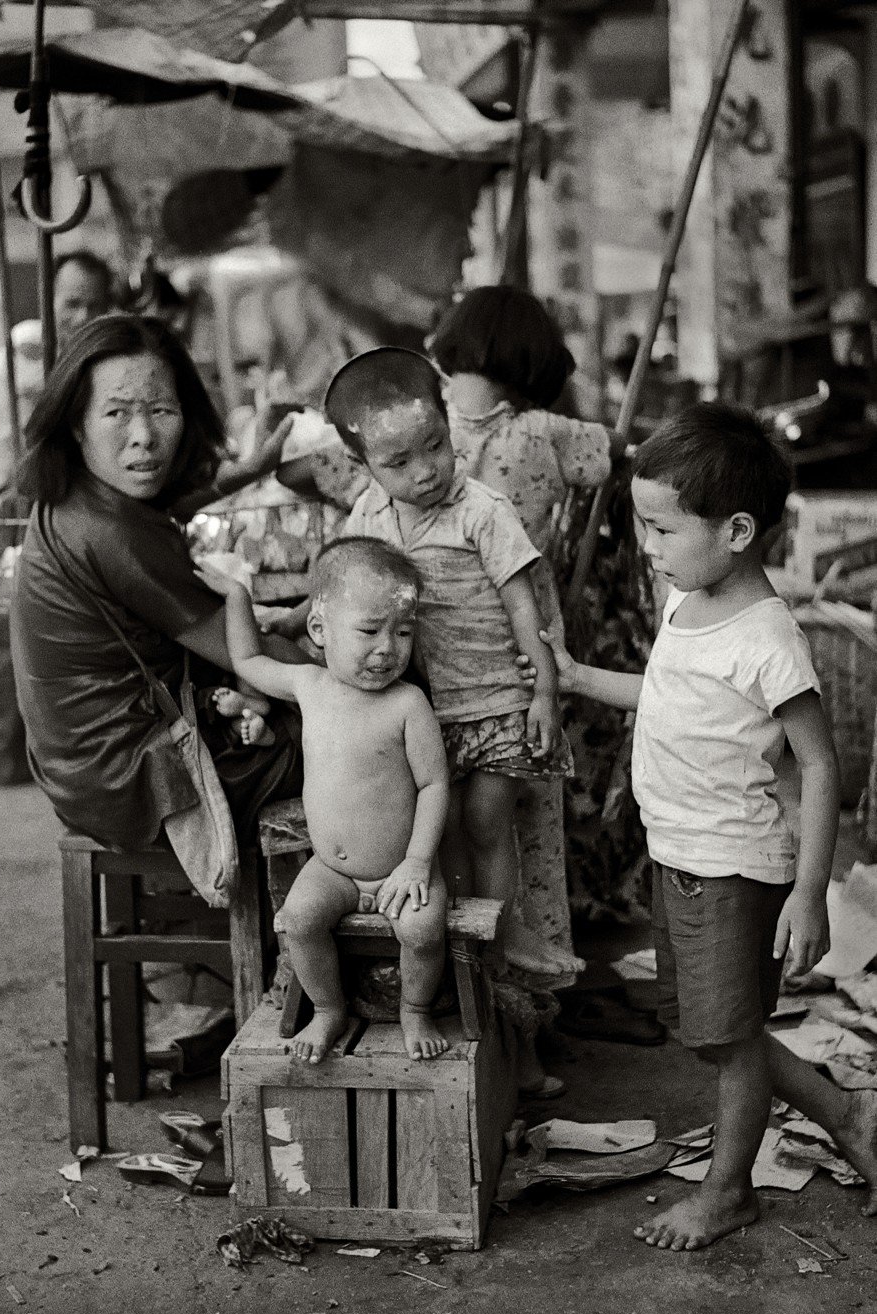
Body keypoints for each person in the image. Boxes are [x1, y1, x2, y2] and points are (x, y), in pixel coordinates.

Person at [543, 402, 877, 1249]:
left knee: (729, 1042)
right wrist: (579, 676)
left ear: (735, 530)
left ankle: (730, 1191)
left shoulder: (767, 638)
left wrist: (811, 895)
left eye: (660, 530)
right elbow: (662, 694)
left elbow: (822, 763)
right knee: (716, 1032)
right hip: (680, 853)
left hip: (734, 866)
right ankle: (852, 1113)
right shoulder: (686, 605)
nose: (646, 548)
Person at [325, 346, 562, 1090]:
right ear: (363, 467)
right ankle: (462, 967)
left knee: (491, 816)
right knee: (444, 829)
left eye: (436, 444)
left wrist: (545, 692)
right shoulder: (368, 516)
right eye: (400, 461)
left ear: (451, 421)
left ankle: (503, 926)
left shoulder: (481, 509)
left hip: (493, 698)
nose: (427, 469)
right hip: (425, 710)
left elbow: (526, 602)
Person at [10, 313, 302, 855]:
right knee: (354, 733)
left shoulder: (77, 494)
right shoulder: (115, 534)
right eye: (117, 412)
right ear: (77, 425)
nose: (144, 438)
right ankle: (326, 920)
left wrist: (249, 469)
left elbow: (163, 505)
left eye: (162, 411)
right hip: (134, 779)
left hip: (78, 764)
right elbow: (254, 657)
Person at [428, 283, 627, 985]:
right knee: (523, 831)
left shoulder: (420, 431)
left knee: (441, 829)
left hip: (433, 656)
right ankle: (526, 1007)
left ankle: (458, 994)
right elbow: (621, 449)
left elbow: (308, 468)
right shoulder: (549, 433)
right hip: (521, 658)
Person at [205, 536, 451, 1064]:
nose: (388, 647)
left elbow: (434, 785)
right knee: (300, 919)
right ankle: (327, 1009)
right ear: (319, 629)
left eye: (403, 632)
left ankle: (415, 1009)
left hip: (400, 871)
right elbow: (246, 658)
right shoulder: (309, 686)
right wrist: (235, 596)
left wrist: (416, 863)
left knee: (423, 930)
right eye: (369, 630)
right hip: (332, 871)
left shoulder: (408, 704)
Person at [0, 250, 113, 785]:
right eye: (71, 303)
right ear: (49, 300)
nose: (81, 317)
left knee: (31, 618)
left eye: (94, 306)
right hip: (2, 501)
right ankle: (7, 755)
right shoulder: (31, 345)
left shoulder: (59, 348)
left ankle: (28, 752)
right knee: (9, 620)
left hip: (19, 491)